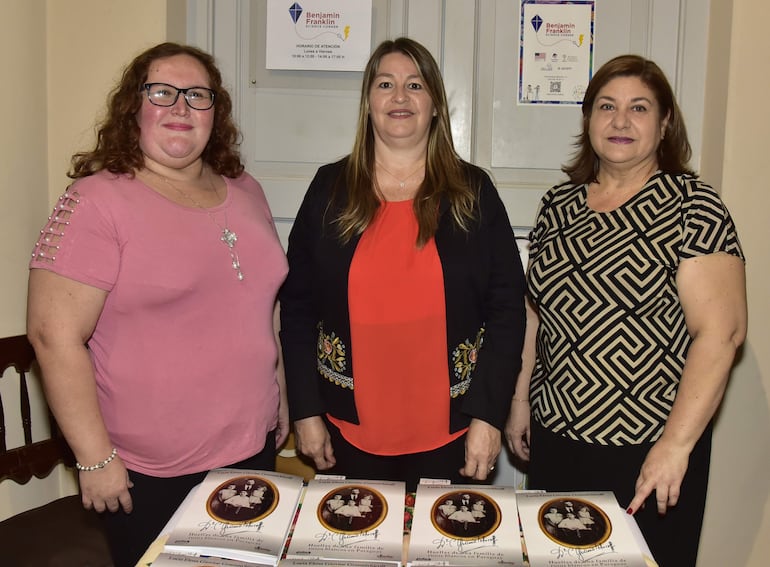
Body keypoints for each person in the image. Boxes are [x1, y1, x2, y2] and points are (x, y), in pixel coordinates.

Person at [26, 42, 289, 567]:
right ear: (134, 107)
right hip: (148, 471)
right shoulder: (96, 202)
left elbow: (263, 303)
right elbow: (53, 335)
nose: (180, 108)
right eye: (162, 92)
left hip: (249, 449)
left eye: (197, 95)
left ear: (216, 112)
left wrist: (279, 390)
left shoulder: (246, 189)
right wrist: (94, 458)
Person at [505, 54, 747, 566]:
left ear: (664, 124)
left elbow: (721, 334)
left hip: (647, 451)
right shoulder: (558, 205)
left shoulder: (693, 206)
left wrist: (675, 447)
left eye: (639, 108)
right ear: (588, 120)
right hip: (556, 441)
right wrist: (521, 400)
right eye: (606, 107)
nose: (620, 121)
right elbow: (536, 314)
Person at [279, 37, 526, 492]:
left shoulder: (473, 191)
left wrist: (489, 416)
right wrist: (305, 410)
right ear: (368, 103)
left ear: (434, 105)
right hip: (345, 428)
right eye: (385, 84)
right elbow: (297, 308)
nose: (399, 97)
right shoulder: (329, 189)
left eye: (415, 85)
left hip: (454, 429)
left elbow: (507, 309)